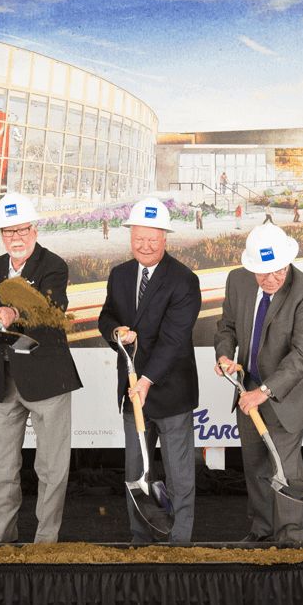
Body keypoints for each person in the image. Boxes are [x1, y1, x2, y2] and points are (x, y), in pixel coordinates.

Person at [0, 193, 83, 544]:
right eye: (8, 231)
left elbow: (50, 311)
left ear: (35, 229)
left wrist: (12, 313)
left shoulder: (53, 265)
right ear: (1, 234)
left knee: (51, 468)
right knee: (1, 467)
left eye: (22, 229)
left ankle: (45, 542)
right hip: (5, 380)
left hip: (47, 379)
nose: (16, 237)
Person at [97, 198, 203, 544]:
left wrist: (145, 381)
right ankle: (140, 538)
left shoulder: (184, 280)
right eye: (138, 239)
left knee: (179, 474)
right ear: (131, 236)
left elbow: (173, 340)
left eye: (152, 240)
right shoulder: (120, 274)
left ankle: (179, 541)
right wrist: (116, 332)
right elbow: (107, 315)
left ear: (165, 239)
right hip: (132, 393)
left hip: (169, 390)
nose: (144, 246)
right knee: (136, 471)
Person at [213, 225, 303, 543]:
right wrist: (224, 356)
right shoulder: (238, 280)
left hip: (286, 394)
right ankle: (262, 530)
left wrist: (264, 392)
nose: (271, 279)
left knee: (283, 463)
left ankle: (290, 536)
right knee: (256, 464)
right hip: (247, 388)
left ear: (288, 262)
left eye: (277, 271)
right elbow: (227, 326)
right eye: (263, 273)